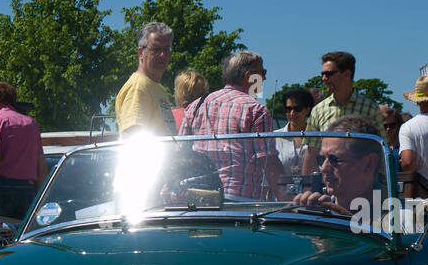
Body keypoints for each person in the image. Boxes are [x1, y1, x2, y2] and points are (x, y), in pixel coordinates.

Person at [179, 51, 284, 200]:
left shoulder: (195, 106)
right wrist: (288, 199)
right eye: (263, 72)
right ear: (249, 77)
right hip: (239, 200)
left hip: (196, 197)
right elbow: (268, 161)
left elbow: (181, 153)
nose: (265, 78)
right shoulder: (256, 109)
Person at [302, 51, 384, 173]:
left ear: (347, 74)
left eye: (329, 74)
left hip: (365, 186)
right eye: (323, 74)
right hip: (330, 185)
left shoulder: (370, 108)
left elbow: (381, 150)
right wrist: (307, 187)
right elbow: (311, 154)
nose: (324, 79)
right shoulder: (318, 111)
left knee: (377, 192)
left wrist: (380, 190)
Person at [290, 115, 381, 216]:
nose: (323, 168)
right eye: (322, 159)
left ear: (369, 164)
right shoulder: (311, 211)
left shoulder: (394, 222)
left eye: (334, 159)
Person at [0, 82, 47, 219]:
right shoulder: (31, 123)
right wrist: (40, 196)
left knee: (0, 238)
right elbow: (41, 164)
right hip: (27, 190)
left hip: (0, 190)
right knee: (22, 237)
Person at [115, 22, 177, 138]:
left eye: (166, 49)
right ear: (141, 53)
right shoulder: (138, 87)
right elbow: (132, 138)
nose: (162, 55)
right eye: (156, 49)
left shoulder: (158, 88)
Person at [276, 87, 314, 175]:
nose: (292, 113)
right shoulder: (274, 137)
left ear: (307, 110)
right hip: (281, 188)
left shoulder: (317, 136)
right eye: (288, 109)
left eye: (297, 109)